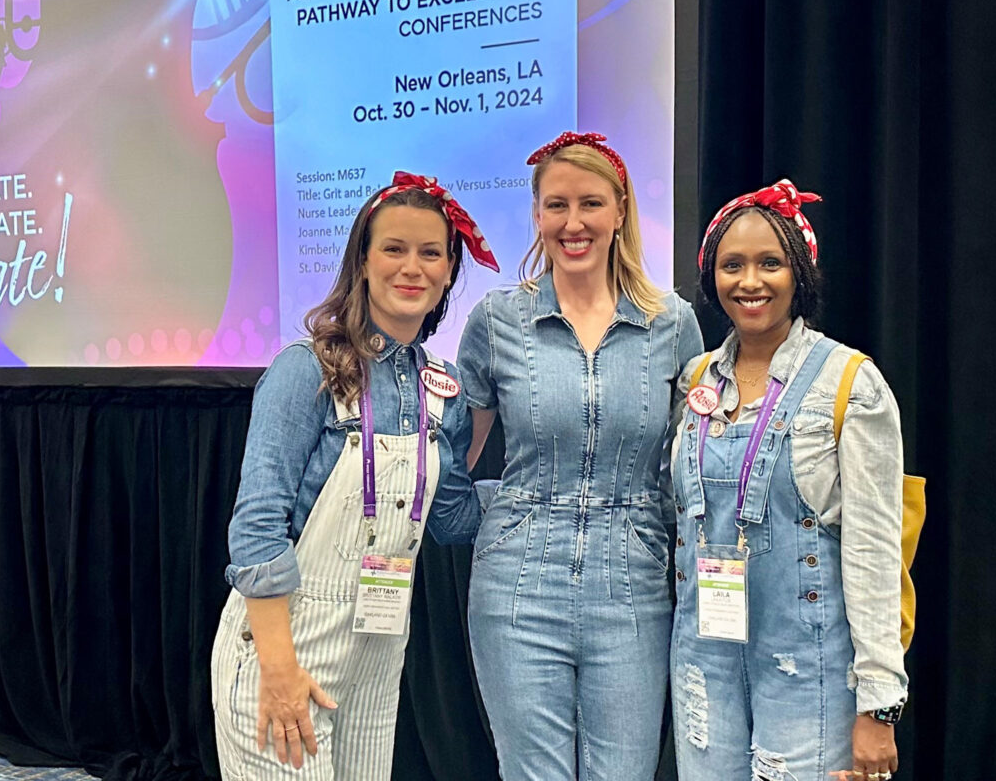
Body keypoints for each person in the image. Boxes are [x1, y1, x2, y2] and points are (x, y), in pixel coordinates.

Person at [211, 172, 499, 779]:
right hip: (284, 644)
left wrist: (537, 494)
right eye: (393, 249)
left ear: (450, 269)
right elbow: (258, 527)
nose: (411, 267)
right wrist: (280, 667)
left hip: (378, 648)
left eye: (430, 253)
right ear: (362, 261)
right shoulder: (305, 370)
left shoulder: (440, 392)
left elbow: (452, 520)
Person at [458, 131, 703, 779]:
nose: (574, 223)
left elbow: (692, 463)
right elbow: (458, 453)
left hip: (633, 584)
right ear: (537, 214)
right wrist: (482, 512)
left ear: (620, 210)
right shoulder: (496, 320)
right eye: (556, 205)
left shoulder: (672, 324)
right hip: (517, 581)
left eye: (590, 203)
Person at [670, 180, 907, 781]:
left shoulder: (851, 383)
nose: (750, 281)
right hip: (704, 660)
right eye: (732, 265)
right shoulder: (696, 381)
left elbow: (875, 553)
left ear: (799, 273)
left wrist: (879, 703)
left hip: (809, 671)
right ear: (711, 276)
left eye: (769, 263)